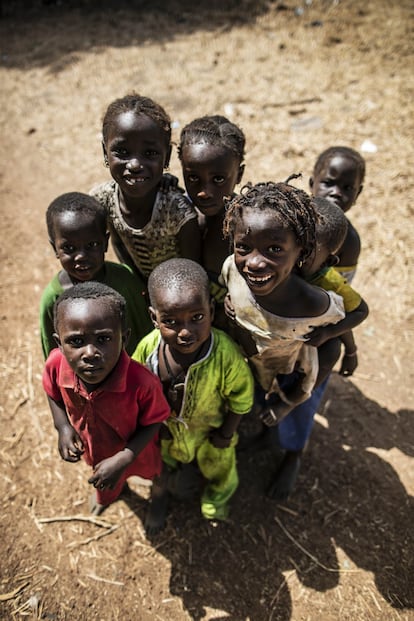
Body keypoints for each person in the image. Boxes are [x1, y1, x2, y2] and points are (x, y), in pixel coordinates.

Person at [221, 181, 345, 501]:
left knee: (296, 416)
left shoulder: (314, 303)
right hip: (260, 366)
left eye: (274, 249)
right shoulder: (233, 273)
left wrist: (290, 400)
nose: (255, 262)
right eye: (243, 247)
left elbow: (336, 336)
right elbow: (229, 287)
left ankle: (293, 456)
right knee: (264, 404)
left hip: (295, 372)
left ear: (301, 252)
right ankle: (265, 435)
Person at [133, 258, 254, 533]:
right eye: (171, 322)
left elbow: (242, 396)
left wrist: (226, 433)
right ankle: (160, 497)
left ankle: (216, 501)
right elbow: (135, 389)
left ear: (211, 310)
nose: (186, 331)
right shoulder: (147, 350)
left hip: (211, 431)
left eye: (197, 318)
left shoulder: (225, 354)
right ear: (154, 318)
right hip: (166, 432)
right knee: (162, 466)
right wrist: (150, 427)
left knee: (220, 468)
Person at [42, 281, 170, 516]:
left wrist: (125, 457)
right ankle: (112, 494)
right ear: (59, 343)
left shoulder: (142, 382)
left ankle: (160, 500)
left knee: (155, 475)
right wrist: (62, 427)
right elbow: (52, 393)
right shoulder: (55, 364)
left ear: (124, 338)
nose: (90, 353)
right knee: (104, 478)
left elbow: (155, 420)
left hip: (136, 450)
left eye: (103, 339)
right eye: (76, 342)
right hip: (95, 447)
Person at [90, 93, 201, 281]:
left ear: (166, 157)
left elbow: (194, 272)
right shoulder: (102, 201)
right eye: (122, 152)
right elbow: (118, 245)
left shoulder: (176, 212)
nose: (134, 165)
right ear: (104, 152)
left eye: (150, 153)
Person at [39, 192, 153, 359]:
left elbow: (146, 332)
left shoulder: (125, 279)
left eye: (92, 245)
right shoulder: (53, 298)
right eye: (69, 248)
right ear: (55, 248)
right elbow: (53, 356)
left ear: (106, 242)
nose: (81, 256)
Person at [178, 115, 245, 328]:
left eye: (218, 179)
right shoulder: (179, 216)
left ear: (239, 174)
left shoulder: (246, 226)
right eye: (193, 178)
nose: (205, 192)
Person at [300, 197, 369, 378]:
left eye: (307, 252)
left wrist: (330, 334)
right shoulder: (276, 266)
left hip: (305, 347)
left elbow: (360, 311)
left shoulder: (329, 283)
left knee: (331, 350)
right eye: (294, 242)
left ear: (327, 262)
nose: (295, 253)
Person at [309, 146, 366, 283]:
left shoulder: (349, 241)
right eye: (328, 183)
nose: (336, 193)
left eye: (347, 188)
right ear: (312, 184)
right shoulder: (290, 219)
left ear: (358, 193)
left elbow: (340, 290)